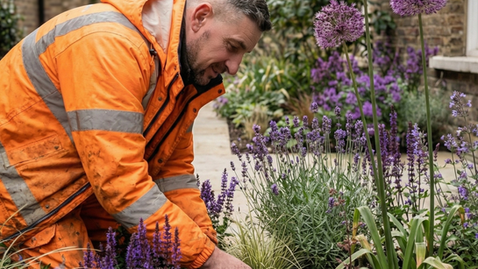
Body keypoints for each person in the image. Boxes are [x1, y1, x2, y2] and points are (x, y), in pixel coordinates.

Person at [0, 0, 271, 268]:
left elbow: (171, 173)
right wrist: (209, 260)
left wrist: (206, 244)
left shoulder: (177, 72)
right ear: (200, 17)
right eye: (233, 47)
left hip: (77, 193)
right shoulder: (111, 46)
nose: (234, 67)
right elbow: (119, 180)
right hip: (23, 206)